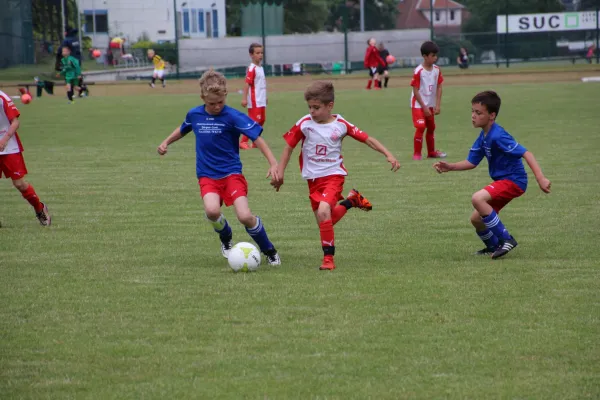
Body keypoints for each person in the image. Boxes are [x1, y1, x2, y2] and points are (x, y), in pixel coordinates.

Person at [271, 81, 400, 270]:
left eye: (316, 107)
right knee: (325, 221)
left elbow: (367, 140)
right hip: (313, 180)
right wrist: (280, 172)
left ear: (329, 106)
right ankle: (351, 201)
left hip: (334, 176)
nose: (312, 112)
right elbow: (289, 147)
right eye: (310, 107)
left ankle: (328, 260)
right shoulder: (305, 123)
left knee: (324, 212)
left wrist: (388, 154)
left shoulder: (341, 125)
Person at [157, 70, 281, 265]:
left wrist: (274, 163)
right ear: (202, 98)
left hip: (231, 173)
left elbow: (258, 139)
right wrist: (166, 142)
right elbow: (183, 128)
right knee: (212, 212)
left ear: (225, 96)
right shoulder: (195, 114)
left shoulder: (233, 116)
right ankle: (226, 237)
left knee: (245, 215)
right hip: (207, 175)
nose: (216, 107)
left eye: (220, 102)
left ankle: (269, 250)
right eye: (211, 103)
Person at [433, 90, 551, 259]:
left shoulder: (498, 135)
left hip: (513, 180)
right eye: (472, 111)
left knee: (478, 198)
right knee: (476, 219)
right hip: (504, 181)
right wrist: (450, 167)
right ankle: (493, 246)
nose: (473, 116)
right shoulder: (483, 136)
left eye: (478, 113)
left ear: (492, 115)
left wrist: (541, 178)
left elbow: (527, 153)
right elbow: (471, 162)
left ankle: (506, 239)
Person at [0, 90, 51, 227]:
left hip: (9, 147)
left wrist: (4, 139)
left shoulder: (2, 97)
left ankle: (39, 208)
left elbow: (15, 122)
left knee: (19, 184)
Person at [410, 41, 446, 160]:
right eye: (432, 55)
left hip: (429, 104)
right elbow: (415, 91)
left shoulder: (436, 70)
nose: (435, 58)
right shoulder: (419, 71)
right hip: (418, 105)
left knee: (431, 128)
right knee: (421, 127)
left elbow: (439, 86)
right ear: (425, 56)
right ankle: (417, 154)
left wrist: (437, 105)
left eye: (436, 55)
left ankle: (431, 152)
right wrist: (424, 107)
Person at [240, 43, 267, 149]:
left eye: (261, 53)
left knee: (262, 120)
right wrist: (244, 98)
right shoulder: (252, 69)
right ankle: (243, 141)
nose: (260, 55)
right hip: (254, 100)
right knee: (254, 121)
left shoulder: (260, 68)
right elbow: (247, 84)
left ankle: (256, 141)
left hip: (261, 99)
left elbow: (261, 84)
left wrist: (265, 96)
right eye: (257, 53)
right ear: (251, 55)